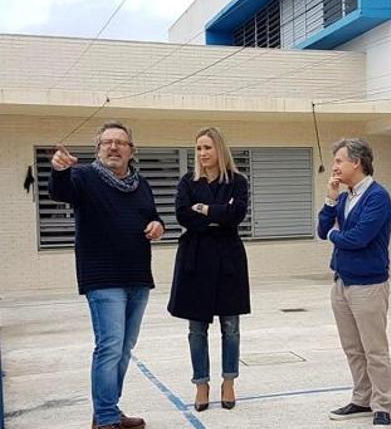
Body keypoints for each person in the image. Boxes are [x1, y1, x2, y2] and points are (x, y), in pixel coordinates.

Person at [49, 121, 164, 429]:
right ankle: (106, 418)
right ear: (97, 148)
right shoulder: (83, 177)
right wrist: (59, 169)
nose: (113, 147)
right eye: (107, 142)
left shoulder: (141, 184)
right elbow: (60, 191)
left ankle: (107, 410)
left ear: (131, 151)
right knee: (110, 345)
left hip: (137, 276)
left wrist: (158, 226)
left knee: (124, 348)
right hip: (102, 277)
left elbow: (152, 216)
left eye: (120, 143)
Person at [167, 127, 250, 411]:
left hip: (228, 259)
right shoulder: (187, 182)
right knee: (197, 328)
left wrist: (203, 210)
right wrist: (217, 214)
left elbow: (236, 214)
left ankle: (229, 382)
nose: (202, 154)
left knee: (231, 326)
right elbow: (181, 214)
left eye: (207, 148)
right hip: (196, 259)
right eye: (199, 148)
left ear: (220, 150)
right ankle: (201, 384)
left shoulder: (238, 182)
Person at [318, 138, 391, 427]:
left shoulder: (378, 197)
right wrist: (330, 199)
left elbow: (357, 239)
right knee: (352, 348)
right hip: (342, 282)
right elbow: (322, 228)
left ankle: (383, 405)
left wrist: (334, 235)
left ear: (357, 162)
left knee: (375, 349)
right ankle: (362, 398)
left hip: (369, 285)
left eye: (339, 161)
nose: (334, 166)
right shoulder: (345, 196)